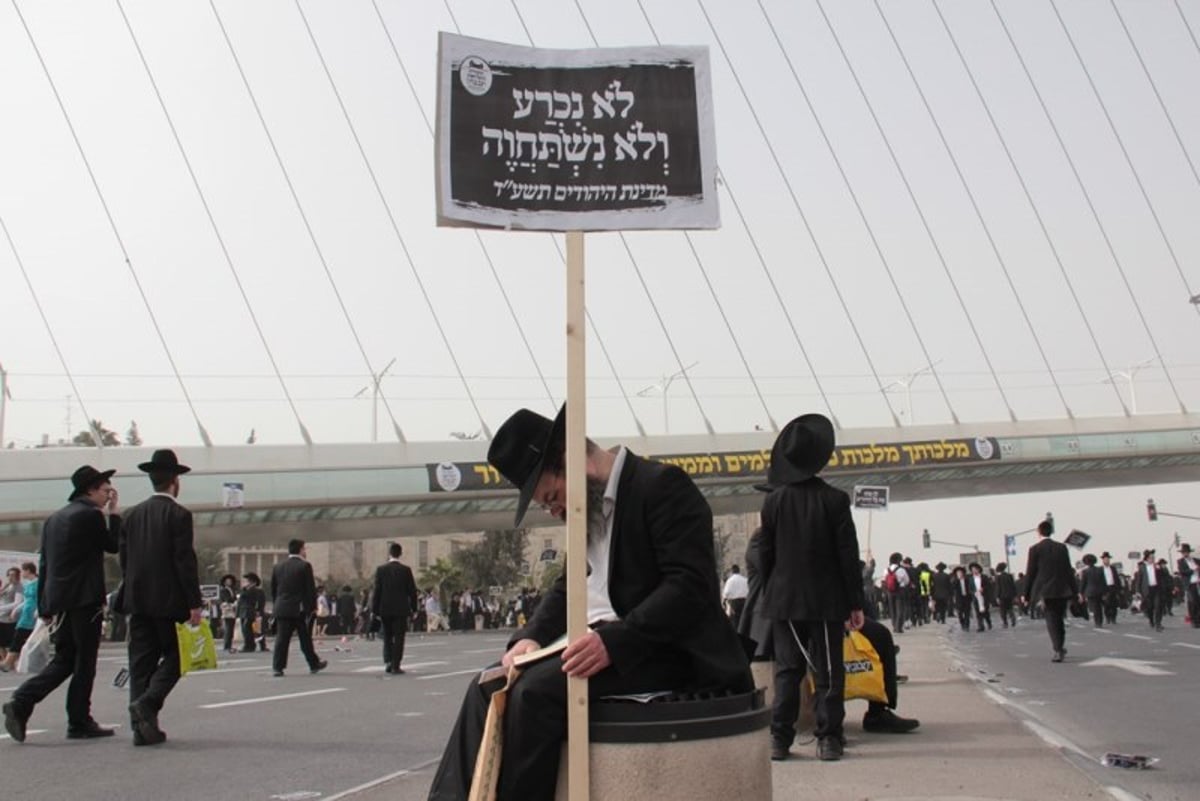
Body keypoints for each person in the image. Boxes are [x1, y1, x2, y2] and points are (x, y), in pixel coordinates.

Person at [427, 407, 752, 801]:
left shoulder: (662, 486)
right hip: (605, 644)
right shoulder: (590, 512)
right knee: (487, 685)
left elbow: (690, 587)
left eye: (552, 497)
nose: (556, 512)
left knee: (536, 694)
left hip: (667, 648)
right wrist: (528, 639)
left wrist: (614, 642)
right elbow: (569, 587)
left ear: (571, 461)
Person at [757, 413, 865, 762]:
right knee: (829, 671)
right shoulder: (835, 500)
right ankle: (829, 739)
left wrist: (775, 590)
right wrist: (855, 602)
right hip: (827, 600)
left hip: (785, 602)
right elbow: (848, 556)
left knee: (787, 671)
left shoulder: (772, 502)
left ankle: (780, 739)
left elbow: (765, 556)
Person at [3, 465, 120, 743]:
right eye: (106, 490)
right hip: (85, 598)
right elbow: (113, 545)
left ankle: (22, 701)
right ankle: (79, 720)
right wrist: (114, 514)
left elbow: (45, 564)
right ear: (90, 489)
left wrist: (44, 605)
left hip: (60, 600)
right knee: (84, 662)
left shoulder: (54, 519)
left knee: (66, 659)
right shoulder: (91, 515)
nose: (108, 495)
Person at [119, 448, 203, 747]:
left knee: (141, 661)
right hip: (169, 602)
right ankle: (149, 702)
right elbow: (184, 560)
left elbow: (125, 561)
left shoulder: (130, 515)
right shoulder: (179, 514)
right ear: (175, 481)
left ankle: (141, 729)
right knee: (177, 656)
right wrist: (194, 602)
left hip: (137, 600)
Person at [1021, 519, 1078, 662]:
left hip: (1045, 591)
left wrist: (1025, 594)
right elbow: (1068, 571)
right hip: (1062, 589)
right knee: (1059, 617)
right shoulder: (1062, 548)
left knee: (1052, 619)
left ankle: (1058, 649)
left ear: (1039, 532)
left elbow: (1031, 572)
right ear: (1051, 532)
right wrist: (1075, 591)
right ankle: (1060, 645)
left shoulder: (1035, 549)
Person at [271, 540, 326, 677]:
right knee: (305, 638)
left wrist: (277, 604)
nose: (305, 552)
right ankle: (313, 664)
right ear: (301, 550)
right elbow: (309, 589)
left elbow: (273, 589)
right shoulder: (304, 566)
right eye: (304, 549)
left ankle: (278, 667)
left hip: (282, 608)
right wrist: (312, 608)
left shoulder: (278, 566)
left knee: (282, 639)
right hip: (298, 609)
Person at [372, 542, 418, 674]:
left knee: (387, 636)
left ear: (389, 553)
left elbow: (377, 591)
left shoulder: (381, 570)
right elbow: (412, 591)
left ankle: (388, 661)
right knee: (399, 637)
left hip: (385, 609)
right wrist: (414, 609)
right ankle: (396, 664)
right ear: (400, 554)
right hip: (401, 609)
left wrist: (375, 610)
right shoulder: (406, 570)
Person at [0, 563, 37, 673]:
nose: (22, 573)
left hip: (32, 615)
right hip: (25, 614)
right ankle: (8, 663)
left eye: (23, 571)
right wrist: (17, 610)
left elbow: (39, 599)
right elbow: (25, 601)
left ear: (28, 571)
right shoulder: (28, 584)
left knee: (19, 639)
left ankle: (8, 663)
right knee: (19, 638)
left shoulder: (36, 584)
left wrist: (38, 611)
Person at [1132, 549, 1164, 632]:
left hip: (1156, 589)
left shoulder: (1157, 567)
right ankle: (1151, 620)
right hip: (1147, 590)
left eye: (1153, 557)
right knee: (1149, 607)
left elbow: (1162, 577)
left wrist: (1159, 569)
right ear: (1147, 559)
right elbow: (1139, 580)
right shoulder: (1142, 568)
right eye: (1150, 558)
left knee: (1158, 606)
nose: (1152, 559)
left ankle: (1158, 624)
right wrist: (1137, 591)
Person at [237, 573, 267, 652]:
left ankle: (260, 645)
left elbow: (260, 602)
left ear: (253, 582)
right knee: (245, 630)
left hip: (252, 612)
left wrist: (258, 611)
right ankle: (249, 645)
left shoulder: (257, 591)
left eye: (247, 581)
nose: (245, 583)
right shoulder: (244, 590)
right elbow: (240, 603)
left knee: (257, 629)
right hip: (244, 612)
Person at [1079, 554, 1108, 628]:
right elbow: (1103, 581)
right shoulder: (1100, 569)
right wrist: (1105, 592)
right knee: (1099, 606)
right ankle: (1100, 621)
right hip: (1099, 591)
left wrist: (1081, 593)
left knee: (1094, 607)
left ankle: (1097, 621)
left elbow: (1083, 583)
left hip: (1090, 591)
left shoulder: (1085, 571)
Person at [1178, 544, 1200, 628]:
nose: (1185, 554)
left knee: (1198, 602)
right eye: (1183, 552)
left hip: (1198, 582)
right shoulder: (1181, 562)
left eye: (1186, 552)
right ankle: (1194, 620)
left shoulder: (1196, 560)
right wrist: (1192, 570)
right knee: (1193, 601)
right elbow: (1182, 572)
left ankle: (1198, 619)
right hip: (1190, 584)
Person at [722, 564, 749, 630]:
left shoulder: (730, 580)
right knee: (742, 620)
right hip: (744, 602)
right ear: (739, 571)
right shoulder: (745, 580)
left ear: (732, 571)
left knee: (734, 621)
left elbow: (726, 593)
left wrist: (724, 601)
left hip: (734, 603)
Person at [1098, 552, 1122, 624]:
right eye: (1105, 559)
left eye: (1108, 559)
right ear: (1103, 560)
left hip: (1113, 587)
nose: (1107, 561)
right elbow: (1098, 580)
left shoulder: (1113, 568)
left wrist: (1119, 588)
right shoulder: (1100, 569)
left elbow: (1117, 579)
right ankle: (1108, 618)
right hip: (1105, 588)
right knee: (1106, 604)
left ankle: (1113, 618)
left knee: (1114, 604)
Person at [968, 563, 992, 632]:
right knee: (978, 612)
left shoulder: (984, 577)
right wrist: (974, 592)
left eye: (975, 569)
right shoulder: (971, 579)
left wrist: (983, 589)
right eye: (972, 570)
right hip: (976, 597)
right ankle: (981, 626)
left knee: (985, 612)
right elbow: (970, 589)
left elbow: (989, 586)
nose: (974, 571)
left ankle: (988, 622)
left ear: (979, 569)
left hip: (984, 596)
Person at [218, 574, 239, 653]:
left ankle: (229, 644)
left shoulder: (232, 590)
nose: (229, 582)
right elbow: (227, 599)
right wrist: (234, 600)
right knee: (228, 628)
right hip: (227, 610)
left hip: (233, 610)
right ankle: (226, 645)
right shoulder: (223, 590)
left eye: (230, 581)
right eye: (227, 581)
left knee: (231, 628)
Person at [994, 563, 1018, 628]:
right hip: (1010, 595)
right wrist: (1015, 595)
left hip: (1002, 596)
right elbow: (1013, 586)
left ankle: (1005, 623)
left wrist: (997, 596)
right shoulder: (1009, 576)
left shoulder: (998, 577)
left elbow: (998, 587)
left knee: (1003, 610)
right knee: (1010, 608)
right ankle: (1013, 619)